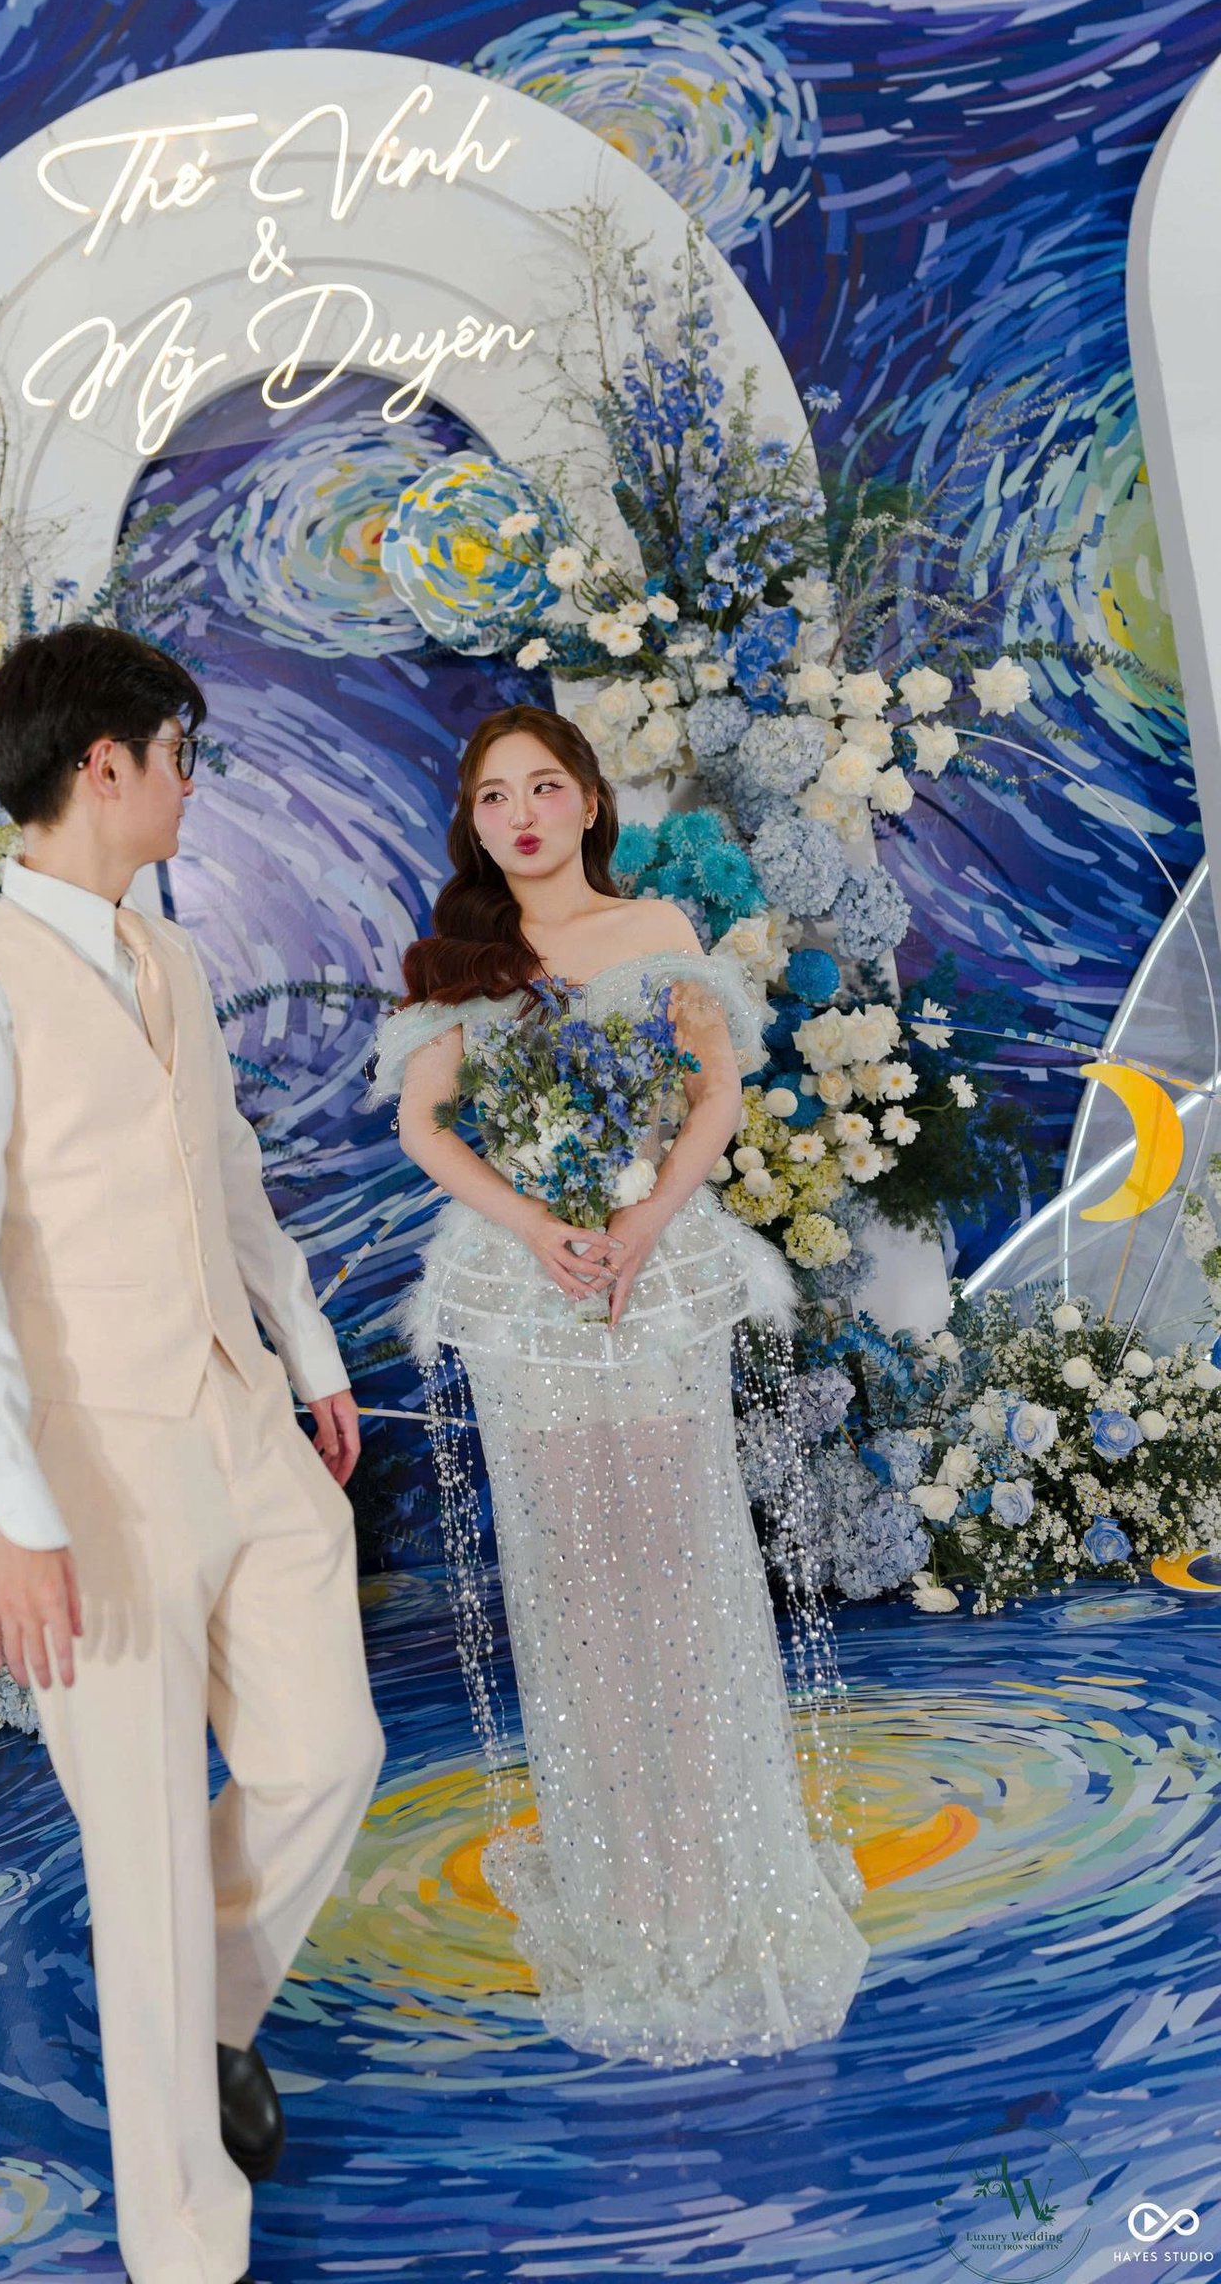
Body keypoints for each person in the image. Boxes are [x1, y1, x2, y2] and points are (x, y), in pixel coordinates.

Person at [0, 622, 385, 2284]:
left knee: (328, 1755)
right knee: (147, 1851)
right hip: (92, 1468)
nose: (192, 781)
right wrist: (13, 1516)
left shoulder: (165, 954)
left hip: (239, 1419)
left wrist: (309, 1354)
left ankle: (208, 2008)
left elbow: (226, 1172)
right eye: (181, 753)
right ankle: (188, 2249)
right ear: (102, 765)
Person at [366, 704, 868, 2068]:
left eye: (543, 787)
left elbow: (714, 1097)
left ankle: (713, 1876)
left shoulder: (652, 931)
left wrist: (645, 1223)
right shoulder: (459, 958)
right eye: (493, 798)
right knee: (574, 1589)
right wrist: (537, 1226)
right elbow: (423, 1124)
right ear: (474, 824)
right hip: (530, 1292)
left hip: (654, 1276)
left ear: (588, 801)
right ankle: (624, 1887)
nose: (521, 815)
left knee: (682, 1572)